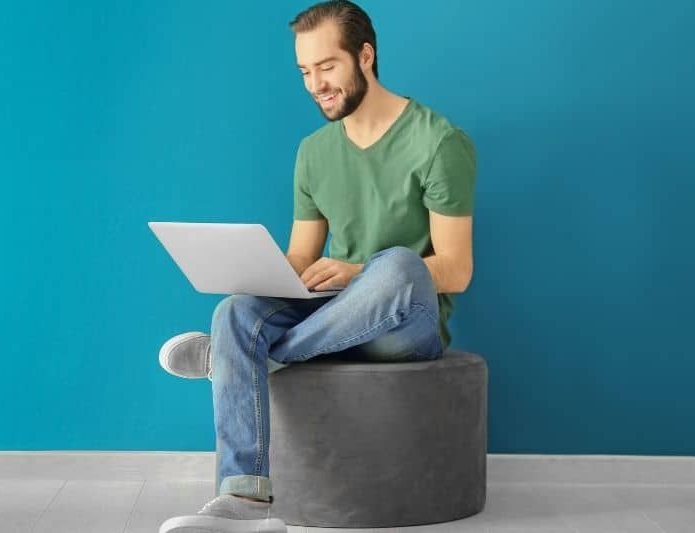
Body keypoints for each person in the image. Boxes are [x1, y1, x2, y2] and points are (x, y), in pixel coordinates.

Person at [158, 1, 476, 531]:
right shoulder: (313, 152)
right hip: (333, 315)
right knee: (236, 312)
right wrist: (258, 272)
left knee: (397, 264)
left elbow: (456, 269)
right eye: (305, 71)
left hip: (406, 323)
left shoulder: (440, 142)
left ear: (365, 56)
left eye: (327, 66)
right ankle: (245, 501)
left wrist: (358, 273)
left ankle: (243, 359)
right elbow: (302, 257)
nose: (315, 84)